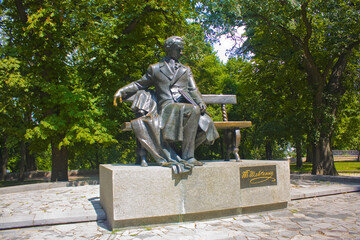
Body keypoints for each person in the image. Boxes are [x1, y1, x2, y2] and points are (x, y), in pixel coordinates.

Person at [114, 36, 219, 173]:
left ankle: (183, 155)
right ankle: (188, 157)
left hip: (186, 107)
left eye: (182, 49)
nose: (182, 52)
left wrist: (200, 102)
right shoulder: (155, 69)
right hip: (167, 107)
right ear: (169, 49)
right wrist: (121, 91)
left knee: (207, 124)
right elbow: (139, 84)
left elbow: (193, 89)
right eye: (179, 49)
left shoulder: (186, 70)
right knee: (193, 111)